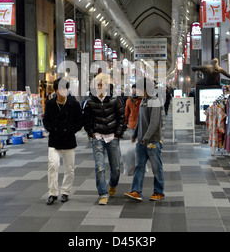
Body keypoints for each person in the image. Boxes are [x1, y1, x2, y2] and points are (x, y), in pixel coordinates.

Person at [83, 73, 125, 205]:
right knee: (99, 167)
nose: (100, 87)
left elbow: (122, 117)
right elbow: (86, 120)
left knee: (116, 168)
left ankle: (113, 184)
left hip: (113, 137)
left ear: (107, 86)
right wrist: (92, 133)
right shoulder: (90, 101)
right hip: (98, 138)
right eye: (98, 85)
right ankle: (103, 194)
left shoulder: (115, 99)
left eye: (102, 85)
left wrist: (118, 133)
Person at [43, 78, 84, 205]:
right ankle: (52, 193)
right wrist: (50, 129)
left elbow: (80, 121)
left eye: (65, 88)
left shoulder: (73, 104)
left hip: (69, 140)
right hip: (54, 140)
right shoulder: (50, 104)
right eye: (60, 89)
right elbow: (46, 120)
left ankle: (65, 192)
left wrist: (71, 130)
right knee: (52, 165)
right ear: (55, 91)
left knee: (69, 168)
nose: (63, 91)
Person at [124, 78, 165, 201]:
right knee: (139, 167)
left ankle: (159, 192)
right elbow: (139, 121)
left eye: (140, 89)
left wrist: (146, 138)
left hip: (152, 142)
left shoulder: (155, 101)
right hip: (141, 141)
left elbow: (154, 123)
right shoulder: (143, 101)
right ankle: (136, 191)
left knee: (156, 168)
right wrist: (135, 134)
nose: (137, 91)